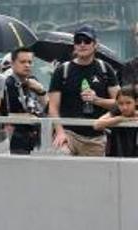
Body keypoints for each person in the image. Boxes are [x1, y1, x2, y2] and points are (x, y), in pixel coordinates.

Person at [49, 24, 120, 157]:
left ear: (95, 45)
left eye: (87, 41)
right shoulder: (62, 70)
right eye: (78, 41)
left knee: (93, 176)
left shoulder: (105, 69)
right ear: (74, 45)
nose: (82, 44)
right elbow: (53, 107)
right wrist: (59, 132)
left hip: (96, 136)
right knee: (60, 163)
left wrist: (96, 100)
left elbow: (120, 103)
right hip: (69, 134)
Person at [4, 46, 46, 155]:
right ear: (12, 64)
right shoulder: (7, 84)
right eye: (22, 62)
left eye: (30, 62)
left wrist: (41, 91)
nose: (27, 65)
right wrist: (27, 117)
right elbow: (1, 115)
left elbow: (48, 107)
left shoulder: (34, 81)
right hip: (14, 141)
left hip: (34, 140)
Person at [95, 84, 138, 157]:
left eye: (128, 103)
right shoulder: (116, 111)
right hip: (117, 153)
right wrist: (119, 119)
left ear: (136, 102)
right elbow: (97, 125)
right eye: (121, 103)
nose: (125, 107)